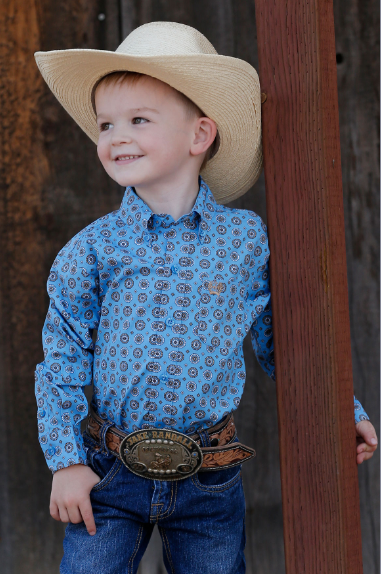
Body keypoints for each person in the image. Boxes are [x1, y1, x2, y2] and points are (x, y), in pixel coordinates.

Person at [34, 21, 377, 574]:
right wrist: (68, 462)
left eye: (138, 121)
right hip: (109, 470)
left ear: (199, 135)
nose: (116, 136)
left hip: (209, 476)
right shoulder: (92, 250)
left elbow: (284, 342)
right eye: (106, 124)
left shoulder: (244, 240)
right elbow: (62, 359)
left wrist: (343, 412)